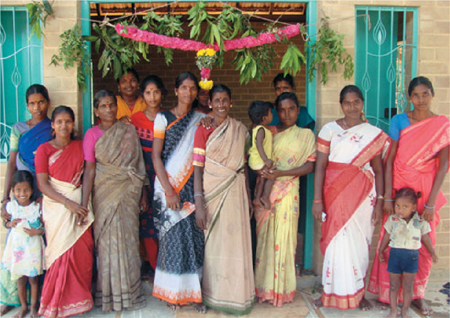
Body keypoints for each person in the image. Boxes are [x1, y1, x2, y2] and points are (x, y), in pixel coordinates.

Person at [368, 76, 450, 315]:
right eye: (416, 95)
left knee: (424, 239)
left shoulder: (442, 125)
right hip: (400, 187)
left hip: (425, 189)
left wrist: (431, 203)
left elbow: (443, 165)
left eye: (425, 94)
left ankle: (418, 295)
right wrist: (389, 197)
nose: (421, 99)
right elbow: (390, 158)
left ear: (432, 94)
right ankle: (389, 293)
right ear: (409, 97)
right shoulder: (399, 120)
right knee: (393, 236)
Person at [312, 85, 389, 311]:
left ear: (362, 103)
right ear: (341, 104)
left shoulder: (372, 133)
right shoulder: (329, 130)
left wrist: (381, 202)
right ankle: (329, 293)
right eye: (347, 102)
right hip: (334, 194)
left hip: (364, 197)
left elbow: (380, 170)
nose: (352, 107)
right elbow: (321, 166)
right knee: (335, 243)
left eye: (356, 102)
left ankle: (358, 294)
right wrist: (317, 200)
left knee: (359, 245)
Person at [82, 90, 147, 312]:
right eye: (103, 106)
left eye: (111, 105)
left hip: (128, 193)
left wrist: (143, 193)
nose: (108, 110)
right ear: (96, 110)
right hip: (103, 194)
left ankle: (130, 292)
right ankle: (108, 295)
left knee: (129, 241)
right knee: (106, 245)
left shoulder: (128, 130)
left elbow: (139, 166)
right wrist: (84, 203)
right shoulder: (91, 134)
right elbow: (89, 170)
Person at [193, 84, 255, 315]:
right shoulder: (202, 130)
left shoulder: (240, 130)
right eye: (216, 100)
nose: (220, 104)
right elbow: (197, 170)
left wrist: (248, 199)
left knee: (235, 245)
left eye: (224, 100)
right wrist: (199, 203)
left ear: (230, 102)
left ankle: (237, 295)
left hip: (236, 193)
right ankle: (213, 294)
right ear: (210, 103)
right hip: (211, 193)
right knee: (214, 246)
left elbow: (243, 168)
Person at [254, 92, 316, 307]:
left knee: (284, 238)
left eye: (291, 109)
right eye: (282, 109)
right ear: (275, 112)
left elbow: (310, 165)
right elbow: (254, 157)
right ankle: (263, 289)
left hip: (288, 191)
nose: (286, 113)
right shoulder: (267, 132)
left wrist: (280, 173)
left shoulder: (306, 135)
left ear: (298, 111)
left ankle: (281, 291)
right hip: (265, 195)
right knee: (265, 241)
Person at [151, 72, 206, 312]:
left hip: (193, 187)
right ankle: (170, 293)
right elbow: (155, 155)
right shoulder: (162, 118)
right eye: (184, 87)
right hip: (169, 187)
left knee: (194, 241)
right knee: (172, 240)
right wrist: (169, 191)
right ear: (175, 90)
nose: (188, 92)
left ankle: (194, 294)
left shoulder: (202, 118)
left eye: (192, 88)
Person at [35, 106, 94, 318]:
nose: (64, 126)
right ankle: (55, 302)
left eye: (68, 121)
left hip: (80, 205)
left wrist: (83, 204)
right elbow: (42, 185)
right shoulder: (44, 150)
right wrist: (68, 203)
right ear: (52, 125)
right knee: (60, 252)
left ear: (73, 123)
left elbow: (88, 173)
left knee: (82, 252)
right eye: (59, 121)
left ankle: (80, 300)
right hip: (56, 208)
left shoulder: (81, 146)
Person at [1, 84, 52, 316]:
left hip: (43, 193)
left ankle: (39, 301)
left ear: (47, 102)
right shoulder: (18, 129)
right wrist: (4, 199)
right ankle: (11, 299)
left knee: (40, 249)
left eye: (41, 102)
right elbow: (11, 162)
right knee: (16, 247)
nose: (37, 107)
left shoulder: (53, 126)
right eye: (32, 103)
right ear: (26, 105)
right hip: (20, 193)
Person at [379, 188, 438, 318]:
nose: (400, 209)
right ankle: (393, 310)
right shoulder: (392, 220)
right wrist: (381, 251)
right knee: (394, 285)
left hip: (411, 257)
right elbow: (386, 236)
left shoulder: (420, 221)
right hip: (395, 255)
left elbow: (426, 238)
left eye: (405, 207)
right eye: (398, 206)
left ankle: (405, 310)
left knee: (408, 286)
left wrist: (432, 253)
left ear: (413, 207)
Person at [131, 75, 167, 275]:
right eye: (147, 92)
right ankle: (154, 267)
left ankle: (165, 266)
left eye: (156, 92)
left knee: (164, 223)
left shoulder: (168, 118)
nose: (152, 97)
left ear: (162, 94)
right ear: (142, 95)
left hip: (164, 177)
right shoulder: (135, 120)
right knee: (146, 225)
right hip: (142, 177)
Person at [1, 171, 44, 318]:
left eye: (26, 190)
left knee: (33, 279)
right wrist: (8, 223)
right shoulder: (11, 207)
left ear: (32, 190)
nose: (22, 193)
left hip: (32, 249)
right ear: (13, 191)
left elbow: (44, 229)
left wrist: (36, 232)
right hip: (17, 249)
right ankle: (23, 307)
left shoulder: (36, 207)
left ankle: (33, 307)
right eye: (18, 190)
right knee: (20, 279)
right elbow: (5, 223)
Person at [247, 101, 275, 209]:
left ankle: (257, 198)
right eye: (271, 113)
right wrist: (266, 160)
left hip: (257, 161)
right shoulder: (261, 130)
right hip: (258, 160)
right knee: (271, 173)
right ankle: (265, 196)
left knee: (262, 179)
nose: (272, 115)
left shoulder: (261, 129)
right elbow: (259, 146)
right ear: (264, 118)